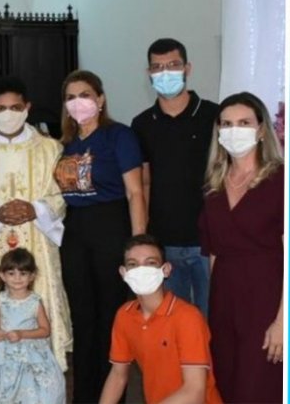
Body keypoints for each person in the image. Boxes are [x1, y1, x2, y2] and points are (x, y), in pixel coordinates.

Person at [0, 78, 72, 376]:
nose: (8, 113)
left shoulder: (50, 148)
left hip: (38, 242)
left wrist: (35, 209)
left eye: (15, 107)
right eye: (0, 108)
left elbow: (62, 195)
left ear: (27, 108)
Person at [53, 69, 146, 403]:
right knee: (82, 318)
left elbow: (135, 192)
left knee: (110, 317)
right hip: (75, 231)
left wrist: (138, 245)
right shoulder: (64, 145)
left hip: (111, 225)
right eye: (71, 97)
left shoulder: (118, 136)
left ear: (100, 99)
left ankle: (111, 397)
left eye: (85, 95)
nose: (78, 102)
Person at [199, 92, 284, 403]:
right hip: (224, 301)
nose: (235, 130)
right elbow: (213, 254)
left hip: (267, 299)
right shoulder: (214, 186)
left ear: (261, 129)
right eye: (227, 124)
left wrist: (282, 321)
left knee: (259, 387)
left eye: (244, 123)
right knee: (228, 384)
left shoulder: (280, 180)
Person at [131, 38, 218, 315]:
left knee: (213, 318)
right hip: (164, 243)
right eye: (157, 67)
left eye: (173, 65)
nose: (165, 72)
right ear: (149, 74)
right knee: (172, 322)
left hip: (209, 241)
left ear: (187, 68)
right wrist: (142, 239)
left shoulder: (213, 115)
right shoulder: (142, 123)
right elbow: (143, 183)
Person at [99, 235, 222, 404]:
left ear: (166, 270)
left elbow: (195, 391)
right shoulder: (125, 316)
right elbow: (118, 375)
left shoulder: (187, 318)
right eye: (133, 264)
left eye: (150, 263)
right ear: (123, 273)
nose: (141, 270)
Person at [0, 247, 66, 404]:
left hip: (30, 354)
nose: (17, 278)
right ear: (2, 275)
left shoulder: (34, 302)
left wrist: (22, 334)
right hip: (5, 354)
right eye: (11, 273)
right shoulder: (0, 299)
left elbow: (45, 330)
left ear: (32, 276)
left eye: (23, 273)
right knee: (4, 392)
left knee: (31, 391)